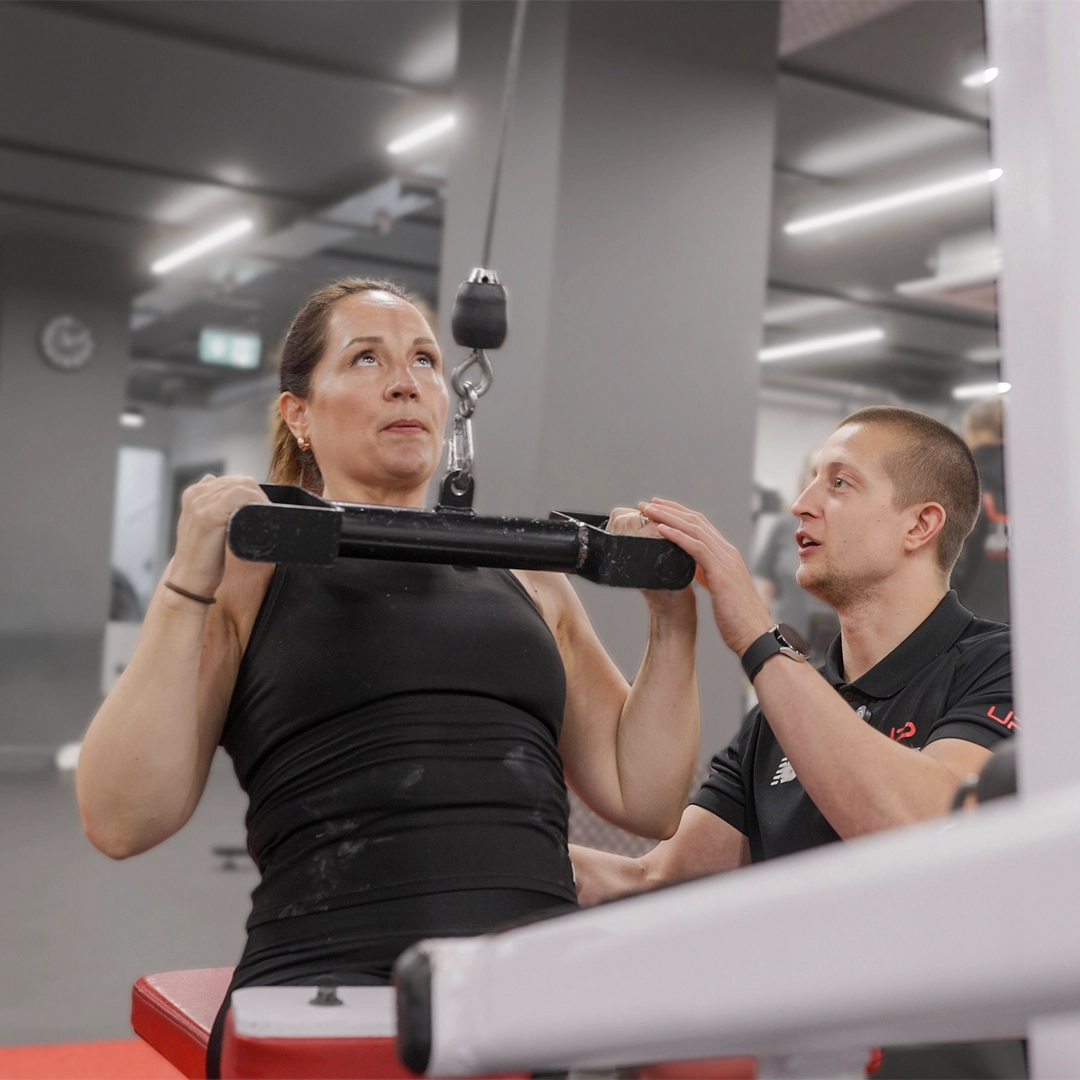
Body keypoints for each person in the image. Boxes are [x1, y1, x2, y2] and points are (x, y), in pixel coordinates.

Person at [75, 278, 699, 1074]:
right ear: (297, 414)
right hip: (334, 986)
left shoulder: (532, 579)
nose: (406, 380)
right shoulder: (250, 572)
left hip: (531, 990)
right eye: (365, 358)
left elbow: (642, 795)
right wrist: (184, 580)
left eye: (425, 360)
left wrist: (670, 619)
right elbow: (121, 820)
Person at [571, 406, 1014, 901]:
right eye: (811, 481)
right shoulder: (776, 718)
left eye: (841, 483)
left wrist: (759, 636)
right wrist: (495, 850)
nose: (801, 504)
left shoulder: (1004, 666)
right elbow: (652, 881)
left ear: (919, 525)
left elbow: (933, 828)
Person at [753, 449, 839, 665]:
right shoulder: (783, 528)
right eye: (813, 472)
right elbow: (764, 586)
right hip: (785, 649)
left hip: (833, 656)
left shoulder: (845, 530)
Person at [952, 396, 1009, 623]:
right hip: (1036, 618)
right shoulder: (1041, 479)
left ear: (973, 432)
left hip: (974, 620)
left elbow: (948, 555)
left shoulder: (960, 478)